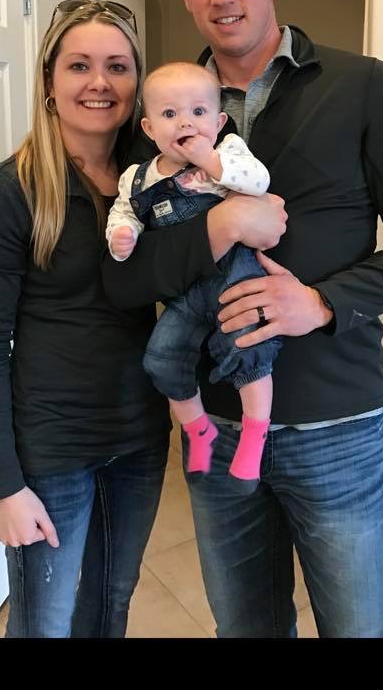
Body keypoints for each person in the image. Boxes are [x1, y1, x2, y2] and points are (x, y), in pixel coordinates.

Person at [102, 0, 383, 638]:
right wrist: (222, 225)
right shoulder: (162, 115)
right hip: (217, 427)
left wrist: (322, 303)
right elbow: (129, 277)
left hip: (339, 424)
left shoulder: (361, 87)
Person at [0, 0, 174, 639]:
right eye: (79, 65)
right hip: (49, 453)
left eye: (117, 66)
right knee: (43, 625)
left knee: (110, 606)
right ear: (49, 83)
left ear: (137, 84)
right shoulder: (12, 190)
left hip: (139, 437)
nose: (99, 82)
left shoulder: (155, 182)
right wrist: (4, 487)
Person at [106, 61, 282, 492]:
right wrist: (122, 235)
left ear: (218, 122)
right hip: (184, 295)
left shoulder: (229, 152)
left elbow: (258, 182)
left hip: (233, 283)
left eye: (199, 112)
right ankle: (198, 429)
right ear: (150, 128)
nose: (186, 122)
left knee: (247, 349)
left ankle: (254, 436)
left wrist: (211, 161)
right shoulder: (138, 177)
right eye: (170, 114)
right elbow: (124, 212)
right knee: (161, 358)